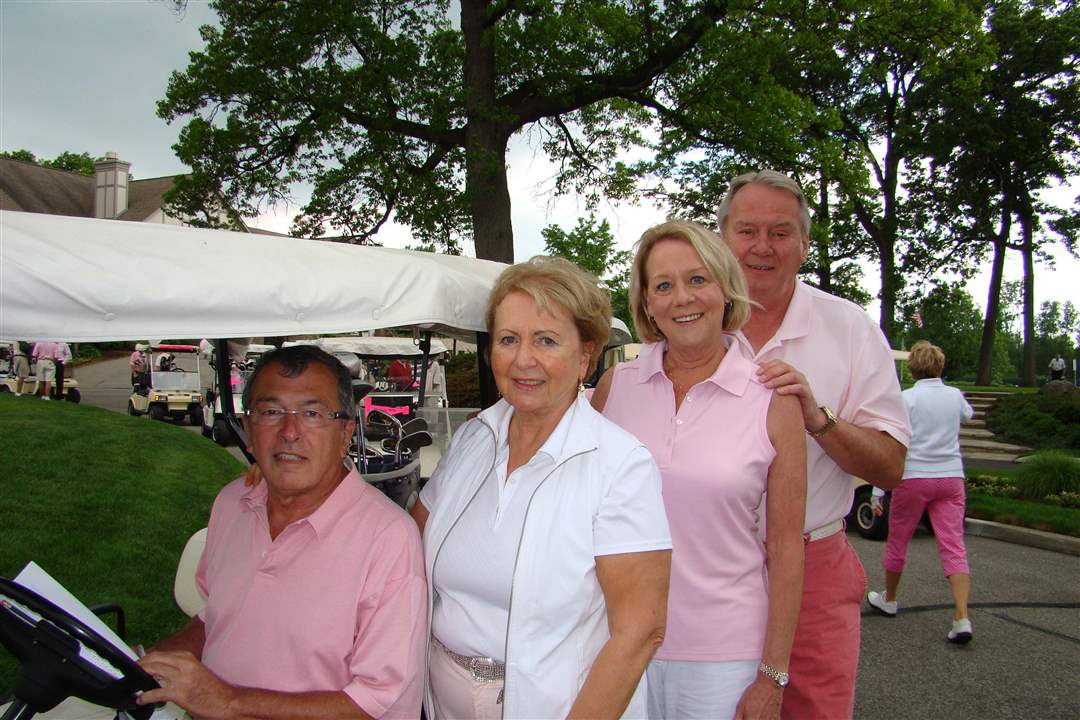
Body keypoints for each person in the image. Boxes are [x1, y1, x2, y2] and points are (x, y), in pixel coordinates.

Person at [410, 256, 672, 719]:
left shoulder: (621, 466)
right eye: (508, 339)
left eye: (546, 340)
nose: (523, 359)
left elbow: (639, 633)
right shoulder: (473, 439)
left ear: (585, 357)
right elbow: (409, 544)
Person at [136, 345, 427, 718]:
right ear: (248, 429)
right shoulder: (232, 503)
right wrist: (156, 662)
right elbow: (219, 618)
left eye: (312, 413)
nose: (289, 432)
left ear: (345, 434)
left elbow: (376, 704)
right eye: (271, 412)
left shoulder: (389, 540)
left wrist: (227, 702)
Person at [591, 220, 807, 720]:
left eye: (697, 279)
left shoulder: (773, 398)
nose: (682, 298)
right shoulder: (614, 388)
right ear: (647, 304)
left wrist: (773, 676)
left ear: (725, 288)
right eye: (663, 285)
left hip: (723, 657)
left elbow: (786, 547)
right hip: (615, 641)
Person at [717, 170, 911, 719]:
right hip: (703, 568)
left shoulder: (849, 328)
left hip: (812, 567)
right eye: (747, 230)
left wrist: (819, 420)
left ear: (804, 244)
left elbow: (891, 467)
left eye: (780, 232)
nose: (761, 246)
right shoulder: (689, 321)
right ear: (723, 238)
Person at [867, 341, 976, 644]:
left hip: (914, 477)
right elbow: (968, 416)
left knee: (898, 540)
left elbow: (892, 444)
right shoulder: (954, 395)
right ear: (940, 366)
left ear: (913, 368)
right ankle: (961, 616)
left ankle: (889, 599)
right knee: (953, 546)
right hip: (950, 477)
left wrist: (878, 490)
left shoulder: (907, 399)